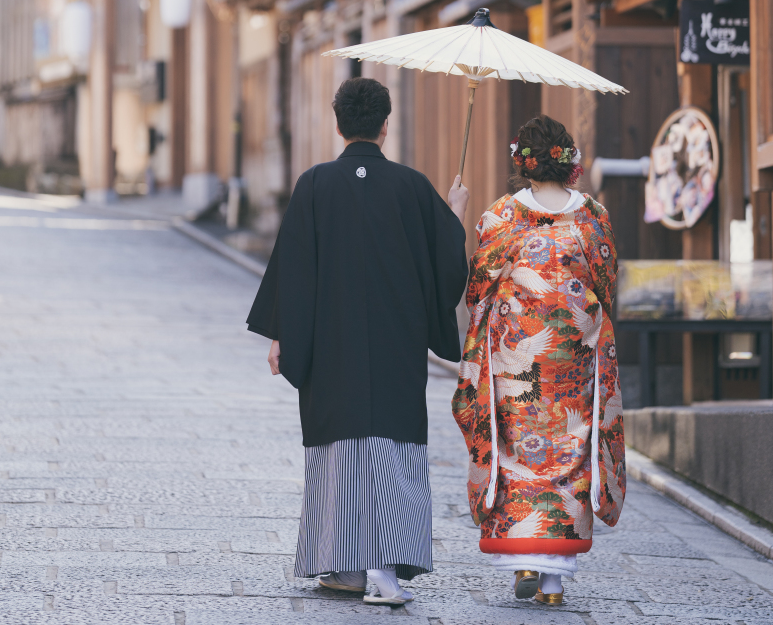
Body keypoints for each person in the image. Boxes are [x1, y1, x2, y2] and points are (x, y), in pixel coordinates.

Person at [247, 77, 470, 607]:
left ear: (339, 124)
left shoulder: (315, 184)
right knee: (392, 450)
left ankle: (344, 566)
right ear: (386, 126)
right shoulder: (413, 186)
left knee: (340, 446)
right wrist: (456, 210)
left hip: (331, 346)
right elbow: (447, 262)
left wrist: (283, 334)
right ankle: (386, 566)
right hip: (396, 345)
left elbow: (294, 269)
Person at [452, 114, 625, 606]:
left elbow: (478, 287)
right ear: (568, 160)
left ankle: (525, 559)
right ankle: (553, 583)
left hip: (516, 363)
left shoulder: (501, 216)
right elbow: (607, 285)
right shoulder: (594, 217)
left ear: (521, 164)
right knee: (571, 452)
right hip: (575, 358)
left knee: (517, 454)